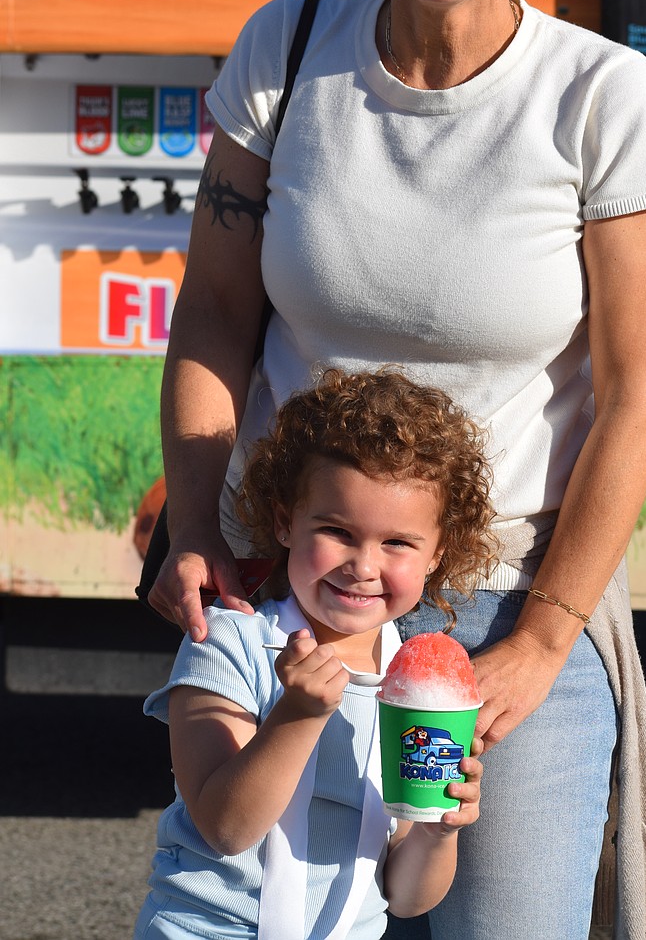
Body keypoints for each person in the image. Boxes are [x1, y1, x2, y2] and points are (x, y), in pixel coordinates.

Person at [148, 0, 646, 940]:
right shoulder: (287, 55)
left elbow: (638, 396)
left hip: (507, 603)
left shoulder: (607, 101)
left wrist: (545, 642)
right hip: (292, 590)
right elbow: (215, 313)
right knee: (269, 916)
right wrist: (196, 526)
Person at [136, 367, 492, 940]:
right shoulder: (230, 644)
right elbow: (226, 826)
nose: (364, 565)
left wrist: (437, 830)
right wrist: (295, 717)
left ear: (436, 555)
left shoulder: (411, 684)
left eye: (397, 542)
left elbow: (404, 898)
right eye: (337, 531)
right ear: (285, 522)